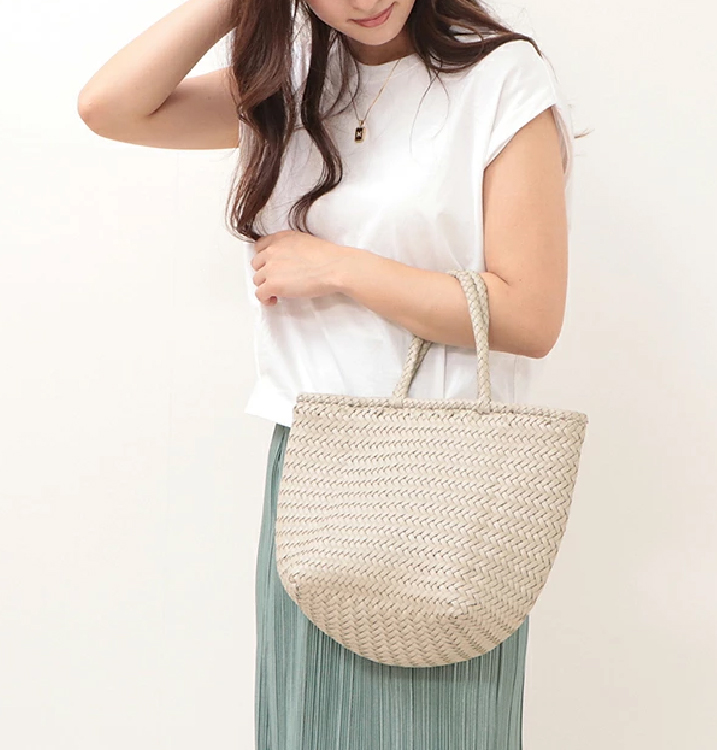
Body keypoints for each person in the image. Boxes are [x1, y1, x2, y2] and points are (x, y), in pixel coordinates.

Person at [78, 0, 584, 747]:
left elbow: (528, 316)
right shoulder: (293, 84)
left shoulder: (499, 78)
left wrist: (342, 269)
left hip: (444, 482)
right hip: (311, 472)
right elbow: (110, 108)